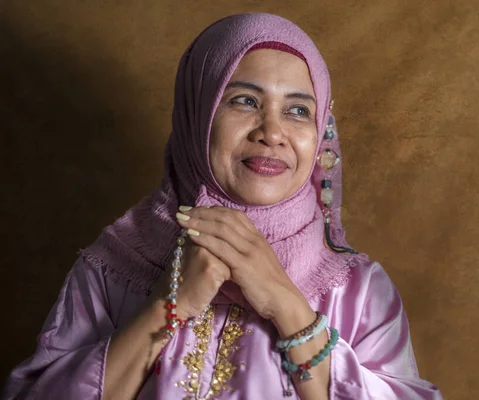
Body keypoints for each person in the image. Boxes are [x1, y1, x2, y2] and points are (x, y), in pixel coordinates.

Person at [3, 13, 443, 400]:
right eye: (245, 101)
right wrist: (168, 304)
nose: (272, 132)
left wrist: (287, 305)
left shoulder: (360, 291)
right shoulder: (113, 266)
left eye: (297, 110)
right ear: (198, 116)